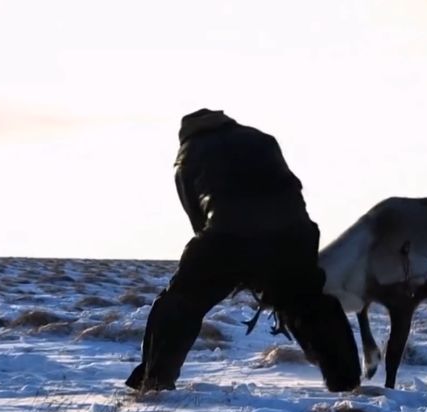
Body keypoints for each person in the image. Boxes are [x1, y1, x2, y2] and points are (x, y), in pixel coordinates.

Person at [125, 109, 361, 393]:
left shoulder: (188, 154)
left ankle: (154, 379)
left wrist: (220, 258)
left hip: (229, 235)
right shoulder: (261, 139)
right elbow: (288, 190)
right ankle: (346, 382)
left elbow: (196, 217)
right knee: (308, 303)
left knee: (180, 303)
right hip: (294, 234)